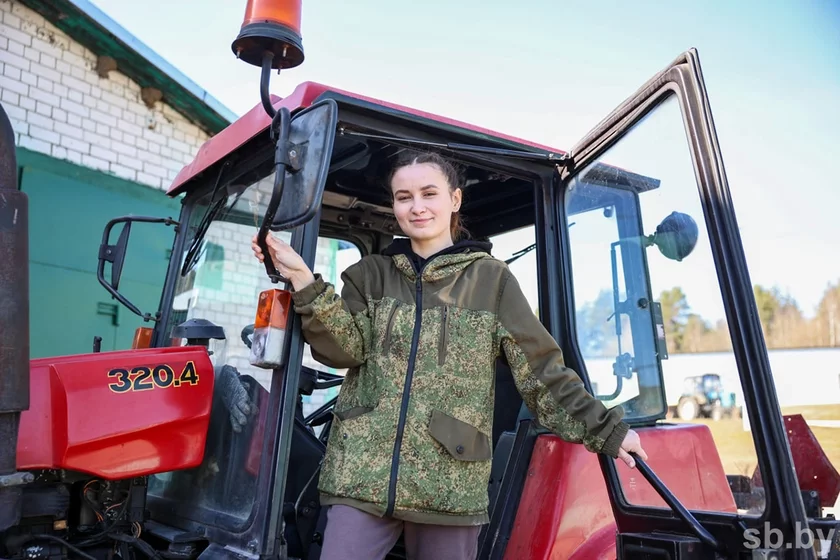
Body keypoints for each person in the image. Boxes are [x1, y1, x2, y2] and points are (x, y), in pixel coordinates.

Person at [251, 151, 648, 560]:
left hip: (449, 488)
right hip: (361, 478)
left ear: (454, 199)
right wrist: (302, 278)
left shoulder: (491, 280)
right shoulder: (369, 274)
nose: (417, 206)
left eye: (429, 193)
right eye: (404, 197)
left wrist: (608, 431)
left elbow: (541, 372)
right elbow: (343, 350)